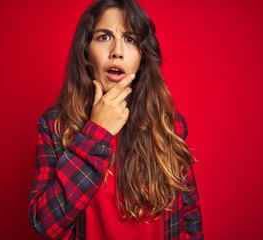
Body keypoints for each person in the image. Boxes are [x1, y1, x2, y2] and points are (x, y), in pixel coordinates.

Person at [28, 0, 203, 239]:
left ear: (143, 57)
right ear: (86, 52)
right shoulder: (55, 125)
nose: (117, 51)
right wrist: (96, 133)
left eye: (130, 39)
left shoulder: (170, 125)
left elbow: (189, 217)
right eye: (104, 37)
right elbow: (45, 222)